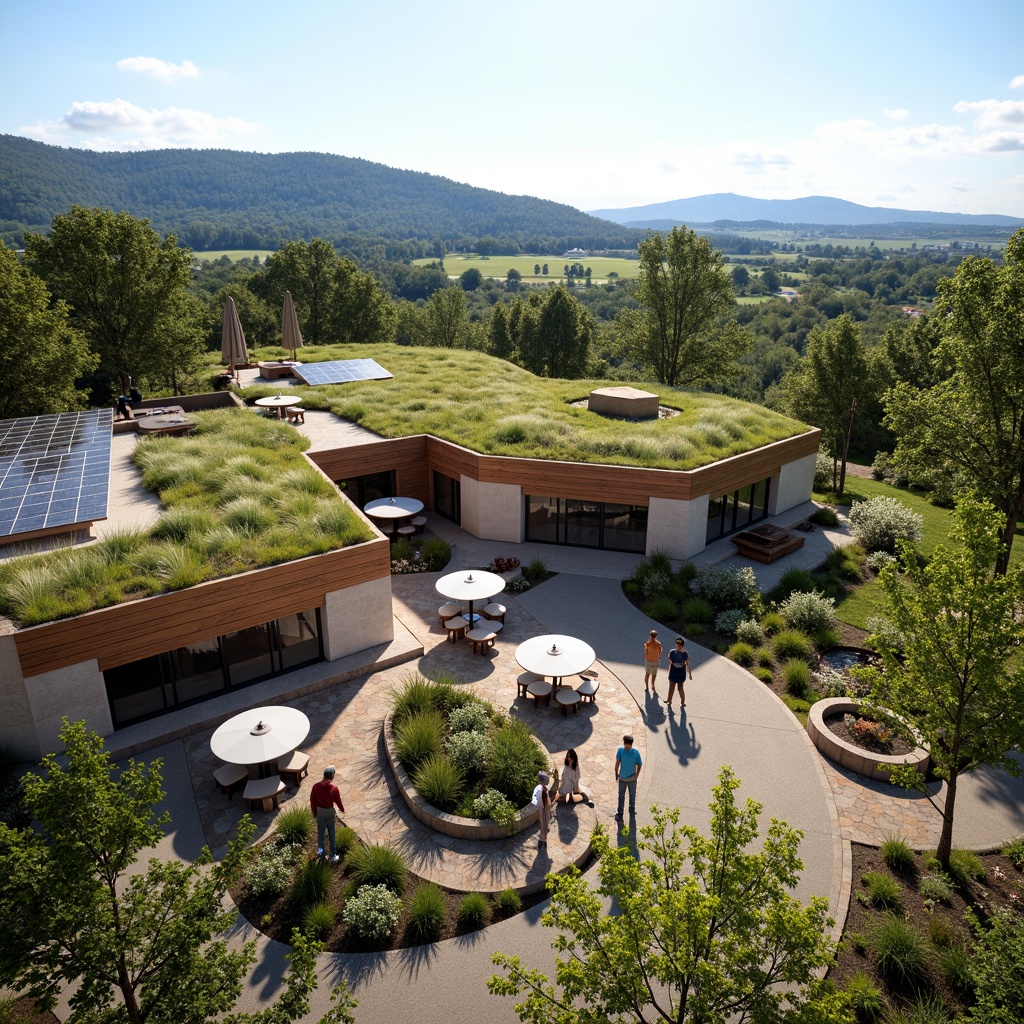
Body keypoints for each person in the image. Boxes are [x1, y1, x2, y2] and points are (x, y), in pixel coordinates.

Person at [309, 764, 346, 863]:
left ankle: (321, 854)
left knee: (320, 835)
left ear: (324, 775)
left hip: (320, 813)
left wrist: (315, 813)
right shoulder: (334, 788)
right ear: (332, 776)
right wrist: (342, 809)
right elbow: (338, 801)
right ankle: (332, 856)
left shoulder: (315, 787)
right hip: (329, 813)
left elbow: (313, 801)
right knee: (331, 835)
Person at [614, 734, 642, 820]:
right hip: (632, 778)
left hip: (622, 778)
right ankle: (632, 809)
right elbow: (639, 764)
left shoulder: (620, 751)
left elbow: (617, 763)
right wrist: (636, 775)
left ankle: (620, 812)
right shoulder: (636, 752)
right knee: (632, 794)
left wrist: (616, 774)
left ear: (625, 742)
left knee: (621, 795)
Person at [667, 635, 693, 708]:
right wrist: (690, 674)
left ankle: (669, 701)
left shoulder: (672, 652)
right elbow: (687, 664)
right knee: (680, 688)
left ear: (678, 645)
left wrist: (669, 669)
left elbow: (670, 662)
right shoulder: (685, 654)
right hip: (681, 673)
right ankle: (683, 702)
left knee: (671, 687)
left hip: (673, 672)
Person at [532, 770, 552, 847]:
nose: (548, 780)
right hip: (542, 807)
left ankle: (544, 837)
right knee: (543, 821)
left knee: (546, 822)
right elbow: (535, 798)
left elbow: (547, 797)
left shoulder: (545, 788)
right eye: (547, 779)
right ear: (543, 781)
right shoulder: (539, 790)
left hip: (545, 807)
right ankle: (542, 837)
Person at [643, 629, 663, 694]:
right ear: (656, 636)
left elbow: (646, 652)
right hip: (656, 661)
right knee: (654, 674)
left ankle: (646, 686)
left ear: (650, 636)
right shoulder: (658, 644)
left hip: (648, 661)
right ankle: (653, 685)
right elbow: (660, 652)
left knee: (647, 674)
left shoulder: (647, 644)